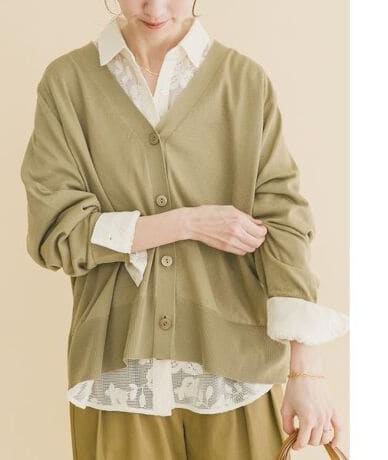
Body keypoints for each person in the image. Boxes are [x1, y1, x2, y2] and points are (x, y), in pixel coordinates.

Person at [20, 1, 350, 459]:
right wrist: (186, 223)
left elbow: (283, 222)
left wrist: (305, 371)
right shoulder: (67, 84)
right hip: (118, 374)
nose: (154, 8)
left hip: (236, 373)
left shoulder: (243, 82)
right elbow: (56, 232)